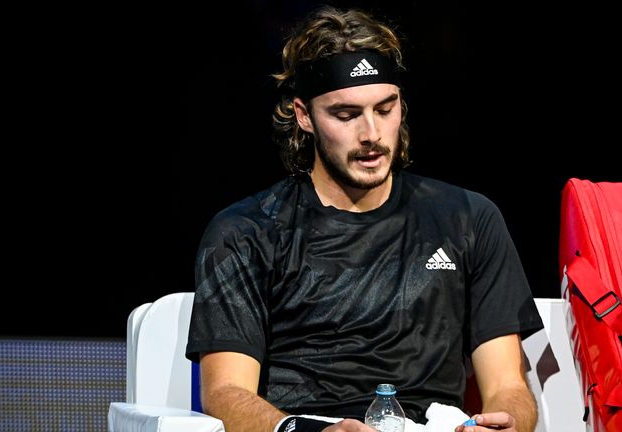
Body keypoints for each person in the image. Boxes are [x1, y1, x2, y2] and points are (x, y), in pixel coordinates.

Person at [185, 5, 543, 432]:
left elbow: (508, 386)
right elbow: (225, 393)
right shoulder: (246, 231)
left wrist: (508, 424)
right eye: (346, 114)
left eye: (385, 108)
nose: (371, 133)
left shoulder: (469, 218)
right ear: (304, 116)